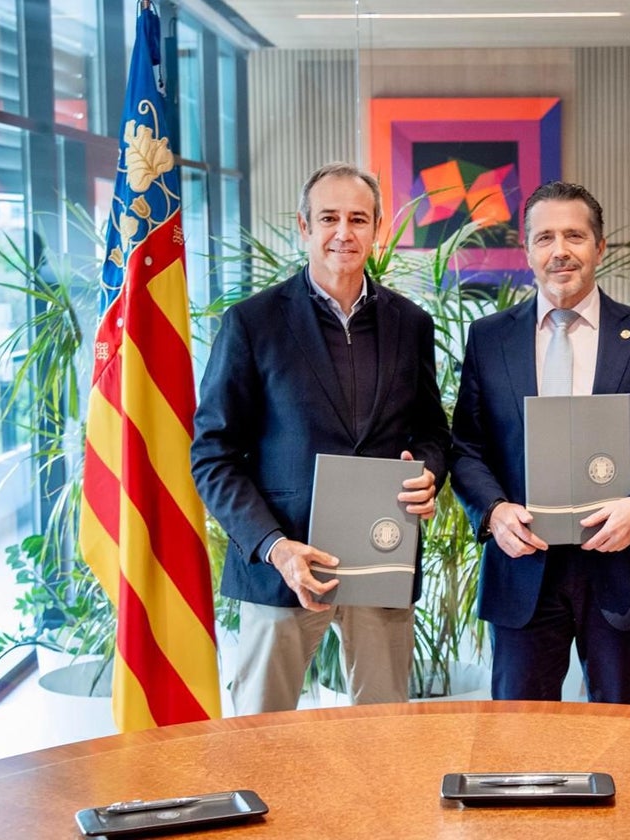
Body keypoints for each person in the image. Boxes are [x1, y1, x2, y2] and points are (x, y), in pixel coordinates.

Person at [191, 162, 449, 714]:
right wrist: (273, 547)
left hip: (382, 559)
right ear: (304, 227)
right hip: (284, 563)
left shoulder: (411, 324)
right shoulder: (252, 324)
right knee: (262, 732)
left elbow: (432, 431)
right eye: (329, 218)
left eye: (358, 219)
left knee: (384, 731)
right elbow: (213, 456)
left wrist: (428, 471)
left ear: (377, 229)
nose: (344, 232)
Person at [450, 181, 630, 705]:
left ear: (599, 247)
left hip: (620, 565)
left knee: (623, 733)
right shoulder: (489, 339)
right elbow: (467, 447)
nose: (561, 251)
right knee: (520, 735)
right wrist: (492, 512)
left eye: (575, 236)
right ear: (528, 250)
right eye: (545, 237)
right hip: (523, 566)